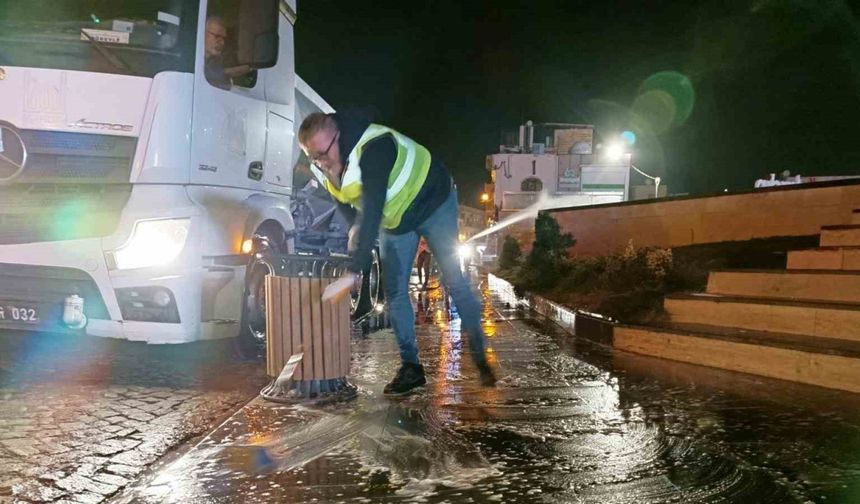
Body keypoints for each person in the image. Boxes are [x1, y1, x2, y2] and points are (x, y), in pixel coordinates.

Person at [299, 111, 496, 395]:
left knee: (454, 280)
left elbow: (373, 207)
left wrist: (353, 272)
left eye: (322, 153)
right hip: (397, 219)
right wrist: (352, 224)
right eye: (312, 157)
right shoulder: (323, 163)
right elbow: (341, 197)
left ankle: (480, 354)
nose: (319, 162)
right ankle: (411, 369)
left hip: (433, 201)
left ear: (338, 138)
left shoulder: (375, 149)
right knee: (395, 291)